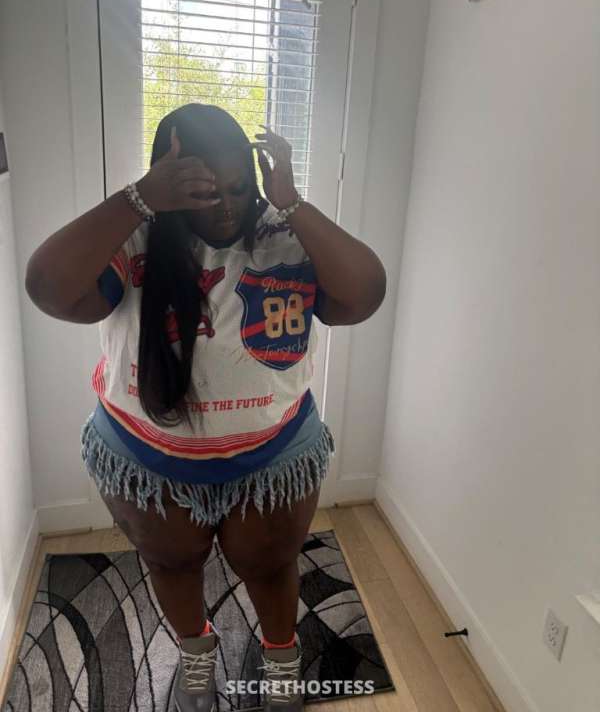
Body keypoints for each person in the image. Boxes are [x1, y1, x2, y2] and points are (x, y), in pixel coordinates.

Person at [25, 103, 387, 712]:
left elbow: (364, 294)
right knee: (172, 562)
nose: (225, 207)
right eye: (203, 191)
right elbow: (48, 287)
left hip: (272, 455)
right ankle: (197, 654)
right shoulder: (136, 237)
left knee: (269, 565)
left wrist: (291, 202)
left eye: (238, 189)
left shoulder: (284, 235)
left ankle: (281, 660)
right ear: (169, 182)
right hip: (147, 458)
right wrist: (140, 199)